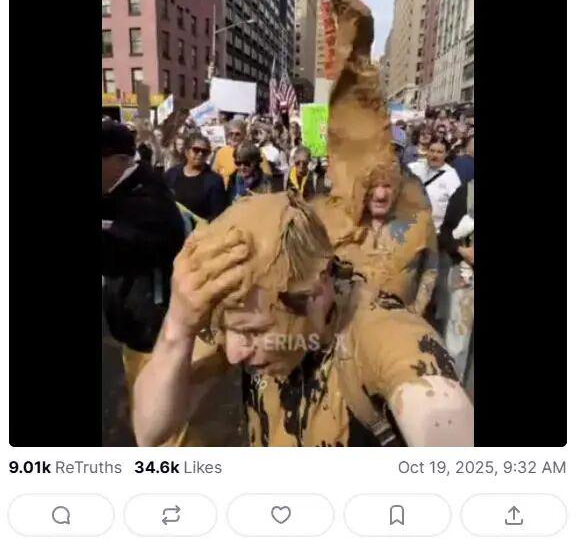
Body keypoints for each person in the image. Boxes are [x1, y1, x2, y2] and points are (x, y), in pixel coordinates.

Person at [133, 192, 473, 447]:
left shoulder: (382, 334)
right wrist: (179, 326)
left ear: (318, 289)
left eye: (255, 331)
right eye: (224, 330)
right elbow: (150, 431)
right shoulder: (241, 315)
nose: (234, 353)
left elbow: (444, 427)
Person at [102, 120, 185, 355]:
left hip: (149, 332)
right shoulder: (124, 185)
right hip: (130, 321)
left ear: (120, 160)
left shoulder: (148, 200)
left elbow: (117, 255)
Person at [439, 179, 475, 393]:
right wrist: (463, 251)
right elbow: (445, 234)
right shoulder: (465, 193)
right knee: (457, 343)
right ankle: (452, 392)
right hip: (466, 277)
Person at [165, 134, 227, 222]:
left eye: (204, 151)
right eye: (196, 150)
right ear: (186, 152)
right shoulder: (172, 174)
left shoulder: (214, 181)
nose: (200, 154)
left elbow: (218, 215)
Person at [408, 140, 461, 233]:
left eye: (439, 152)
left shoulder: (451, 176)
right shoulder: (413, 168)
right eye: (432, 150)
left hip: (434, 231)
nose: (434, 155)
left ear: (446, 154)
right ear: (427, 151)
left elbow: (456, 207)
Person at [213, 120, 272, 187]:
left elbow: (267, 176)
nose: (233, 137)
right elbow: (214, 174)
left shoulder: (255, 152)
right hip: (227, 191)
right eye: (231, 134)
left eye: (237, 134)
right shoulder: (221, 152)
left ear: (245, 135)